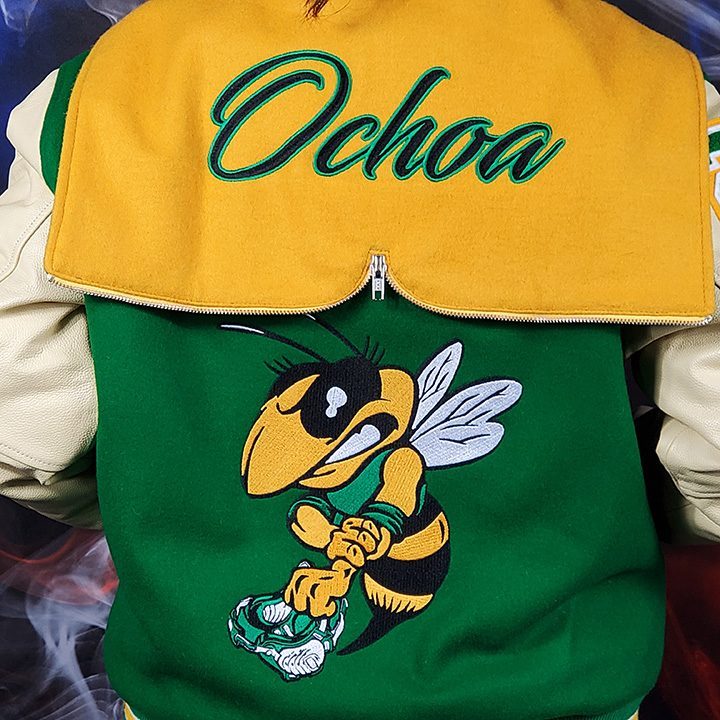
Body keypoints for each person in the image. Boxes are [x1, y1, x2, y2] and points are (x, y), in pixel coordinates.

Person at [1, 0, 718, 718]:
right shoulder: (655, 91)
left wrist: (152, 505)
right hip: (559, 693)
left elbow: (19, 419)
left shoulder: (102, 88)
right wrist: (627, 513)